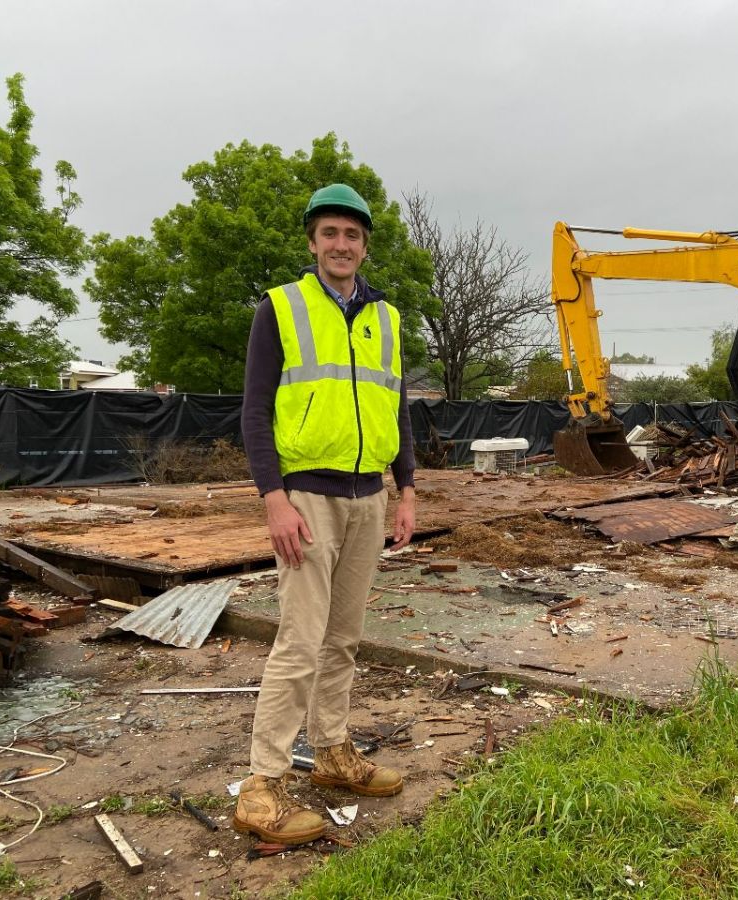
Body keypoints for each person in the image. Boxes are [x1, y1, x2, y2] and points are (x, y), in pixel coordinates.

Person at [233, 183, 417, 845]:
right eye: (330, 233)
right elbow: (255, 412)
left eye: (353, 235)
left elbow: (395, 408)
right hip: (305, 497)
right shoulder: (280, 309)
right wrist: (273, 498)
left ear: (365, 246)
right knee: (301, 641)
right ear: (312, 243)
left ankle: (333, 751)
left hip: (369, 495)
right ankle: (262, 786)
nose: (342, 245)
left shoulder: (387, 318)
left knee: (342, 638)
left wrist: (407, 489)